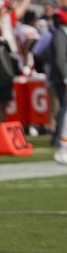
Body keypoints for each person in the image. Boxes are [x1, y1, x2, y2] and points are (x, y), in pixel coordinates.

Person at [50, 9, 67, 165]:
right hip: (63, 78)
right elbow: (61, 58)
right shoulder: (60, 33)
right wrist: (65, 76)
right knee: (65, 111)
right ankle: (62, 144)